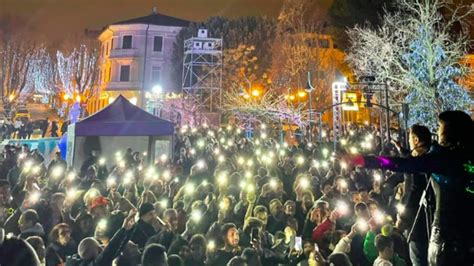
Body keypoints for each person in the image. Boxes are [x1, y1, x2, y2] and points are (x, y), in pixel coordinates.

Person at [353, 111, 474, 265]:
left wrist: (365, 160)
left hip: (446, 238)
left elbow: (404, 165)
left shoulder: (445, 159)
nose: (437, 131)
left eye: (439, 127)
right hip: (468, 233)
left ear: (450, 131)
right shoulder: (465, 158)